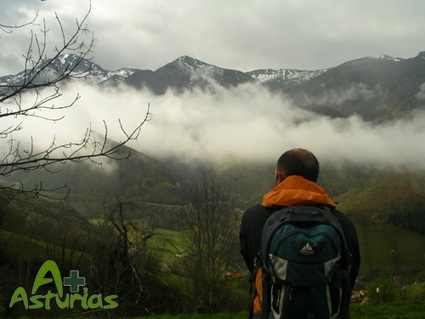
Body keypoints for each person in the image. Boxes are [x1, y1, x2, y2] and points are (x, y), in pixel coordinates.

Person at [239, 148, 360, 319]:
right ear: (314, 179)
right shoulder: (343, 224)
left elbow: (253, 266)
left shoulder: (254, 218)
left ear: (280, 177)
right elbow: (349, 276)